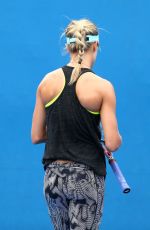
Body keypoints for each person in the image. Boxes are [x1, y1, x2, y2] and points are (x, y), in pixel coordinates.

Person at [31, 18, 122, 230]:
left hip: (53, 177)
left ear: (68, 45)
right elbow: (113, 143)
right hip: (85, 177)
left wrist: (66, 132)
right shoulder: (102, 87)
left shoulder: (46, 82)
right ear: (95, 45)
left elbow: (36, 135)